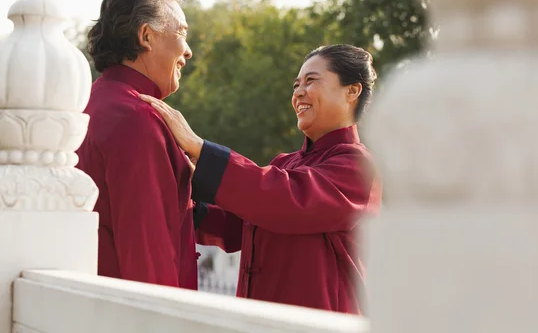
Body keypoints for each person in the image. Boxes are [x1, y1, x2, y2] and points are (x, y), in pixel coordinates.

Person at [140, 44, 382, 313]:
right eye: (296, 85)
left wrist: (200, 148)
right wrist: (179, 195)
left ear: (352, 91)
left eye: (311, 81)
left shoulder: (358, 166)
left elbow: (286, 199)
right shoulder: (285, 163)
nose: (299, 92)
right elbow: (238, 227)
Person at [76, 0, 197, 289]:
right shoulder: (138, 118)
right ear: (146, 36)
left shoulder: (85, 104)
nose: (188, 51)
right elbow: (148, 258)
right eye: (182, 33)